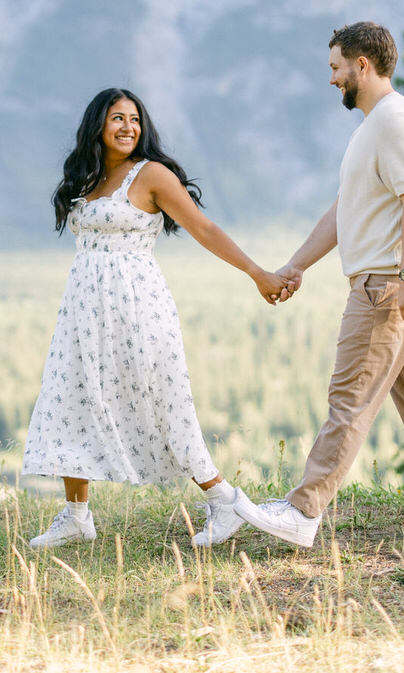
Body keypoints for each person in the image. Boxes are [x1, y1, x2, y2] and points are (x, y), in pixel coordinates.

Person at [233, 22, 404, 549]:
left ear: (362, 65)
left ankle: (302, 511)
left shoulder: (395, 123)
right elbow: (348, 210)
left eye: (336, 67)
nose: (332, 78)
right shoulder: (374, 127)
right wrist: (298, 264)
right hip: (395, 279)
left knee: (350, 398)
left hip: (390, 283)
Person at [22, 88, 293, 549]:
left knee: (162, 399)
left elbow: (204, 228)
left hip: (137, 306)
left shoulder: (152, 175)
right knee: (72, 396)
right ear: (98, 127)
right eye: (116, 119)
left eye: (134, 119)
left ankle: (222, 499)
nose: (128, 127)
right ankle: (76, 515)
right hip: (84, 308)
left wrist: (257, 273)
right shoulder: (87, 178)